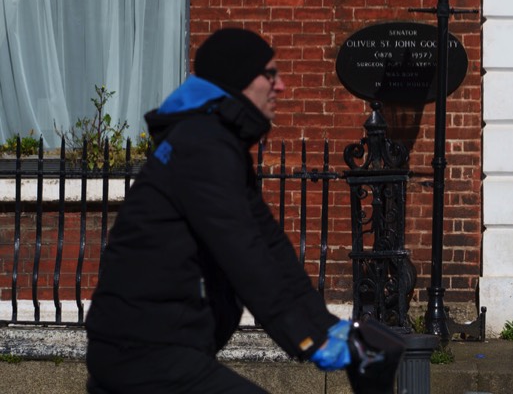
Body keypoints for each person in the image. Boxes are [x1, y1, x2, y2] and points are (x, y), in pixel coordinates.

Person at [86, 27, 351, 393]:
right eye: (270, 74)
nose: (282, 86)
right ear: (240, 81)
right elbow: (243, 253)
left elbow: (270, 245)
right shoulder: (202, 147)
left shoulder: (217, 143)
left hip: (163, 348)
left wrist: (326, 324)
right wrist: (307, 339)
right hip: (141, 352)